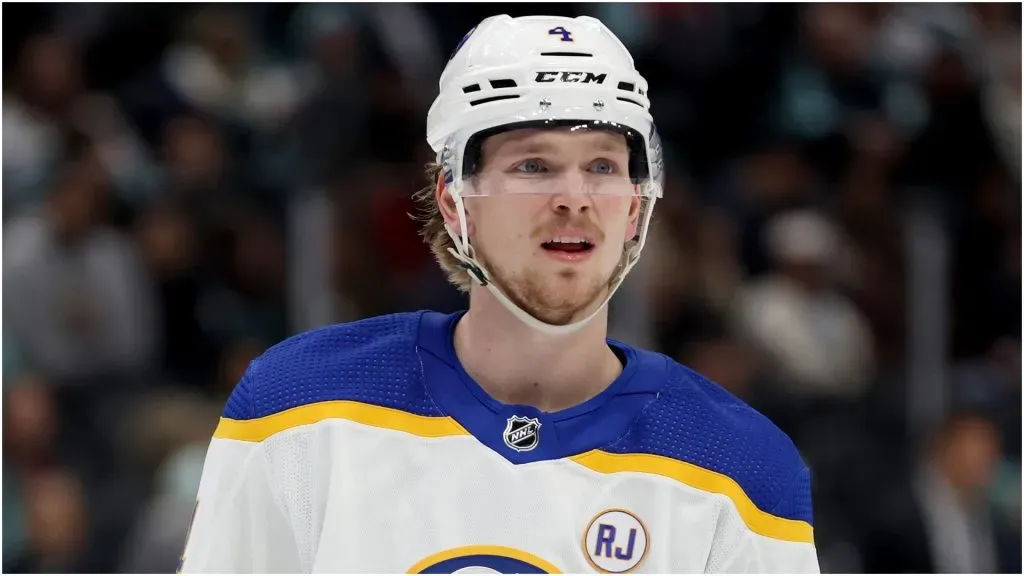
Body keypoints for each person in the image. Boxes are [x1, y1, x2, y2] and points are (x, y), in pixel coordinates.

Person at [179, 15, 819, 573]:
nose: (574, 196)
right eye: (533, 166)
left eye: (602, 165)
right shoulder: (299, 407)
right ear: (454, 202)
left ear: (635, 207)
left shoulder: (741, 470)